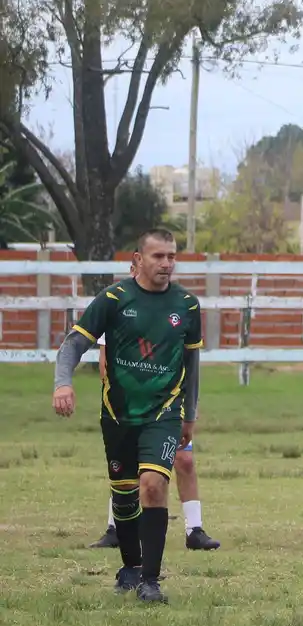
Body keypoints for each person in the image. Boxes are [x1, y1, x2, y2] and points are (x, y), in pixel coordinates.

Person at [53, 229, 203, 604]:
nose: (167, 264)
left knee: (152, 485)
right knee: (124, 495)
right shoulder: (115, 299)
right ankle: (131, 567)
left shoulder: (187, 305)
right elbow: (75, 343)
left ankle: (150, 581)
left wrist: (190, 414)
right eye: (158, 257)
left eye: (171, 256)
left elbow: (192, 362)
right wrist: (62, 383)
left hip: (164, 413)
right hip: (118, 416)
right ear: (139, 258)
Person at [88, 333, 219, 551]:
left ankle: (194, 530)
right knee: (129, 464)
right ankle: (116, 529)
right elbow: (105, 361)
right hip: (133, 405)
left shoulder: (175, 309)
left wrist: (190, 405)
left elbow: (188, 361)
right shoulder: (118, 307)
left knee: (184, 459)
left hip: (168, 404)